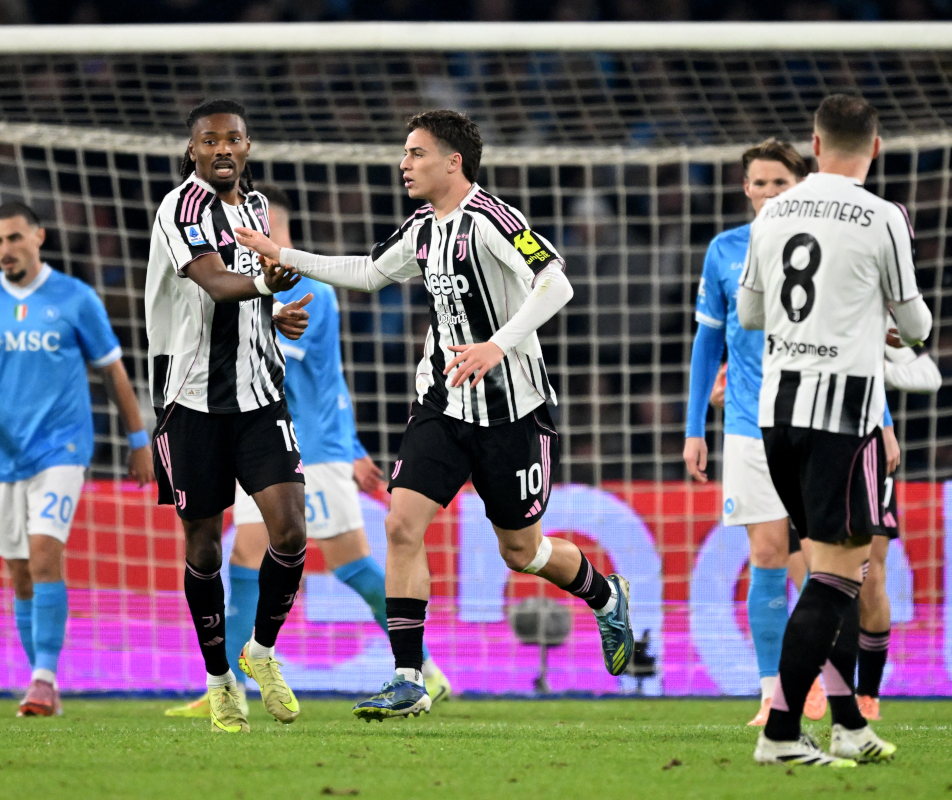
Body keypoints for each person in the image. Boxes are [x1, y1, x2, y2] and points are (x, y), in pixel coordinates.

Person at [235, 109, 633, 721]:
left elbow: (557, 285)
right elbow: (367, 275)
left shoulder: (494, 220)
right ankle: (407, 677)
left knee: (520, 551)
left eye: (416, 153)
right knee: (400, 526)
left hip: (512, 413)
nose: (404, 163)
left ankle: (606, 597)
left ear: (454, 162)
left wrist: (498, 344)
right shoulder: (422, 227)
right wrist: (279, 251)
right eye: (405, 153)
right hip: (443, 405)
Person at [165, 185, 451, 719]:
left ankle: (421, 670)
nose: (247, 240)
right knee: (320, 564)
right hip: (298, 443)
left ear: (281, 235)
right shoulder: (267, 287)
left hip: (307, 449)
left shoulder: (307, 290)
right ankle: (230, 684)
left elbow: (280, 366)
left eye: (259, 230)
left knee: (283, 561)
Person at [738, 93, 932, 766]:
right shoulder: (882, 217)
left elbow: (753, 314)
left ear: (814, 146)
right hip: (842, 420)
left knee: (824, 572)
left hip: (775, 417)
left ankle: (847, 724)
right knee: (836, 580)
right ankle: (783, 735)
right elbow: (916, 327)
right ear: (874, 148)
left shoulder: (774, 213)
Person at [0, 201, 153, 717]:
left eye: (14, 238)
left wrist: (139, 439)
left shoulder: (75, 299)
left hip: (62, 448)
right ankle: (40, 679)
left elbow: (113, 373)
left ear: (38, 236)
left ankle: (44, 678)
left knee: (43, 556)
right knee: (19, 572)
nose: (5, 250)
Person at [145, 98, 314, 733]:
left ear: (247, 147)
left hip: (260, 395)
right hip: (191, 404)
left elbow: (247, 298)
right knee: (204, 547)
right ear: (192, 150)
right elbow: (216, 284)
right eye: (209, 140)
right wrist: (274, 288)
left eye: (233, 139)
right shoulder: (180, 207)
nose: (222, 149)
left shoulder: (260, 209)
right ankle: (219, 681)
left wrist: (276, 316)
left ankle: (261, 652)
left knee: (292, 532)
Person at [685, 138, 834, 726]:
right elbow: (707, 343)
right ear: (745, 188)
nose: (769, 193)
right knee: (768, 553)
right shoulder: (725, 250)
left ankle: (832, 681)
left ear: (800, 184)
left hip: (822, 416)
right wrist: (695, 426)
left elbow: (856, 337)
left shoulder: (826, 244)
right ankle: (775, 690)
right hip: (749, 424)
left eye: (780, 182)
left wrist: (884, 420)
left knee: (828, 563)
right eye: (760, 183)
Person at [856, 338, 943, 720]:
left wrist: (872, 370)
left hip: (869, 446)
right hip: (814, 442)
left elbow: (929, 376)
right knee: (826, 577)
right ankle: (822, 686)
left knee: (871, 578)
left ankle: (867, 695)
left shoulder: (879, 318)